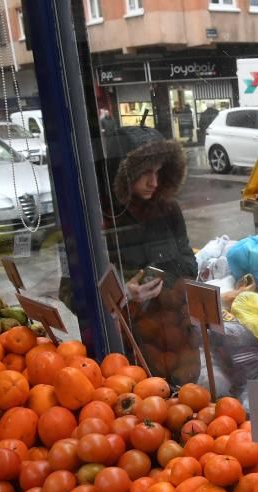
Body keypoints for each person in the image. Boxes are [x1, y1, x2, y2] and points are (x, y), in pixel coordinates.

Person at [106, 140, 200, 383]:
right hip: (131, 339)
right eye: (145, 173)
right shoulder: (106, 218)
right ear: (125, 175)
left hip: (177, 333)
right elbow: (73, 288)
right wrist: (124, 291)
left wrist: (167, 275)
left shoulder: (168, 209)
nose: (154, 182)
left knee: (187, 399)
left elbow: (189, 261)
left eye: (158, 172)